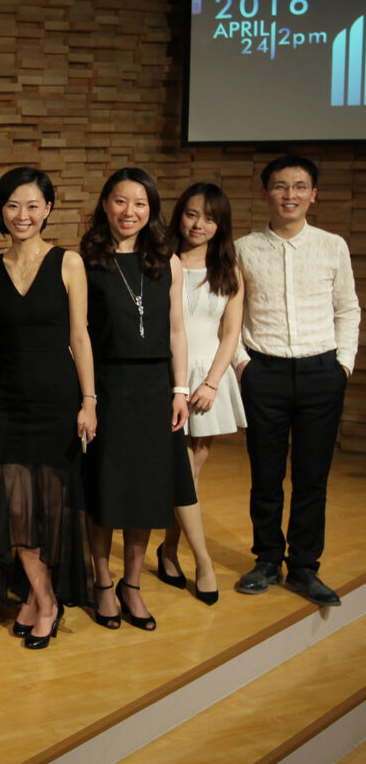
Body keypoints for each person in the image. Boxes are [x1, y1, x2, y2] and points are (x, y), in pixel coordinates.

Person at [0, 167, 96, 650]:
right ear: (1, 212)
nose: (22, 215)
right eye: (12, 205)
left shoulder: (69, 263)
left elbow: (79, 337)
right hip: (9, 401)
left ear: (47, 209)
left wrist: (89, 401)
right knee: (17, 507)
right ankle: (45, 598)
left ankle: (38, 598)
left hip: (57, 399)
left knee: (51, 506)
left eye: (31, 205)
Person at [234, 155, 359, 607]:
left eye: (300, 186)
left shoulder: (333, 246)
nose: (290, 195)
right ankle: (267, 558)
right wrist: (243, 364)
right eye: (281, 186)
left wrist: (342, 364)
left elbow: (348, 308)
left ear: (314, 194)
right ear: (266, 192)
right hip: (263, 372)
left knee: (311, 476)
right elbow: (232, 314)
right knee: (265, 473)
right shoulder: (243, 248)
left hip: (320, 372)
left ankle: (305, 566)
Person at [80, 168, 195, 632]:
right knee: (106, 488)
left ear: (152, 210)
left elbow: (176, 329)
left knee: (147, 493)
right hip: (107, 386)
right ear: (106, 204)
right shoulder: (84, 261)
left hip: (154, 390)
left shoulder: (169, 261)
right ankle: (102, 582)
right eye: (121, 201)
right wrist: (86, 396)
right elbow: (79, 333)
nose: (131, 212)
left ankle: (132, 584)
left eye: (141, 203)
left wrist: (180, 388)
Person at [156, 183, 245, 606]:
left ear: (220, 224)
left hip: (209, 378)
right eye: (192, 214)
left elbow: (231, 334)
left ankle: (171, 549)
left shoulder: (229, 270)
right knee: (180, 473)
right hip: (169, 377)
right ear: (180, 215)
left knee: (188, 473)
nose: (199, 224)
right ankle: (202, 560)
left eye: (210, 217)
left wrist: (211, 382)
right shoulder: (159, 261)